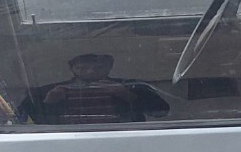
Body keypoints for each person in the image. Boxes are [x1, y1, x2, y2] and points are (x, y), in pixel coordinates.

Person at [21, 54, 170, 126]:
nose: (90, 72)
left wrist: (128, 95)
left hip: (124, 141)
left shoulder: (133, 86)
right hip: (66, 142)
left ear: (109, 67)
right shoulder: (50, 90)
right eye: (83, 68)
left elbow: (161, 111)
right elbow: (21, 120)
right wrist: (49, 102)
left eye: (98, 67)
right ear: (72, 68)